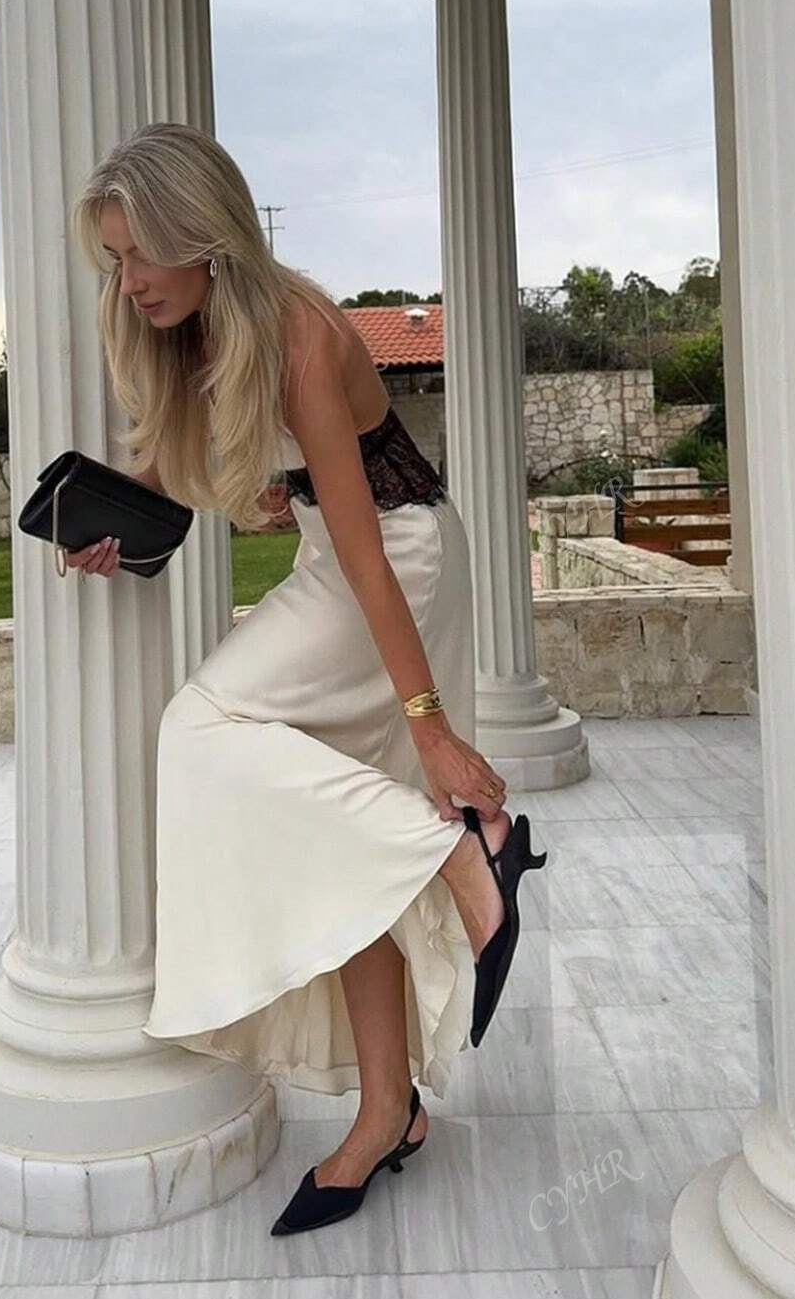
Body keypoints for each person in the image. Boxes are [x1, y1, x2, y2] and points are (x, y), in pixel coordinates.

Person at [62, 122, 546, 1235]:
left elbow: (370, 549)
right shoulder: (200, 328)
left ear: (202, 234)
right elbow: (174, 474)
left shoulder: (302, 335)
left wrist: (430, 727)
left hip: (397, 564)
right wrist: (108, 529)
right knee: (333, 853)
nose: (129, 282)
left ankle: (464, 855)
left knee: (199, 725)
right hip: (342, 559)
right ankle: (386, 1113)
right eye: (115, 260)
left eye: (141, 253)